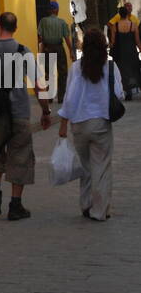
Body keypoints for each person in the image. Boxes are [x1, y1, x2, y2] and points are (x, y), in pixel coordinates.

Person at [0, 11, 52, 220]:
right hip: (19, 112)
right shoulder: (23, 51)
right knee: (20, 156)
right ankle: (15, 205)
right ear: (16, 28)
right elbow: (39, 86)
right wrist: (45, 111)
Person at [57, 26, 124, 221]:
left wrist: (62, 125)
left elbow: (69, 99)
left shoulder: (76, 68)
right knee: (101, 168)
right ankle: (99, 210)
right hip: (101, 123)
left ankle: (86, 204)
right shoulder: (111, 67)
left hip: (78, 124)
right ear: (104, 47)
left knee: (85, 167)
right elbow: (119, 94)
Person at [37, 0, 74, 104]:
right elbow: (67, 39)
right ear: (57, 10)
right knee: (62, 72)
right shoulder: (61, 22)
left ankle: (49, 96)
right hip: (59, 48)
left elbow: (40, 37)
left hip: (47, 48)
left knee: (49, 72)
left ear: (49, 10)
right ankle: (61, 97)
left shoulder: (43, 21)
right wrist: (71, 51)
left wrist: (40, 50)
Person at [109, 5, 141, 102]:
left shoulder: (115, 26)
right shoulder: (133, 25)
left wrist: (109, 45)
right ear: (127, 14)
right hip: (131, 52)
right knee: (134, 70)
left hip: (120, 53)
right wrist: (140, 48)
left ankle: (127, 92)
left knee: (122, 72)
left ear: (119, 14)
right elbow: (137, 40)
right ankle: (133, 88)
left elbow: (113, 42)